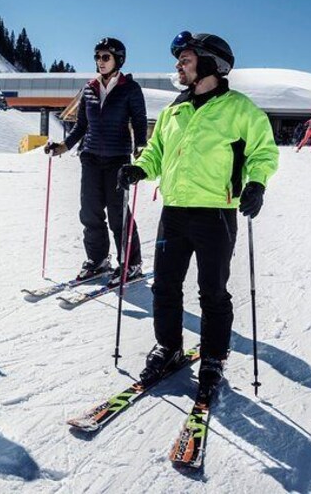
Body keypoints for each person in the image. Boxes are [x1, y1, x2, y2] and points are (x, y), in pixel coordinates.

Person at [118, 31, 279, 393]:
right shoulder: (175, 109)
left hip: (216, 214)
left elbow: (263, 152)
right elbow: (156, 151)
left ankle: (212, 358)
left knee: (213, 291)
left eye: (186, 59)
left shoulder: (240, 109)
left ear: (210, 64)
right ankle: (169, 347)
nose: (178, 65)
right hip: (174, 212)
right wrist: (139, 168)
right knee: (165, 286)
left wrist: (256, 183)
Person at [44, 37, 148, 284]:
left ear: (118, 60)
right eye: (97, 57)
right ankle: (98, 260)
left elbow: (140, 121)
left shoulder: (130, 89)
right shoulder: (89, 88)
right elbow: (81, 126)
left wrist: (141, 149)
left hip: (117, 159)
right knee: (90, 213)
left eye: (105, 57)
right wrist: (63, 146)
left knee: (117, 214)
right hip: (90, 157)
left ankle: (131, 263)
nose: (100, 62)